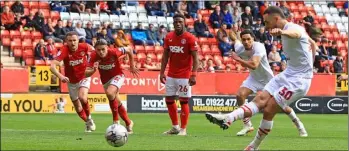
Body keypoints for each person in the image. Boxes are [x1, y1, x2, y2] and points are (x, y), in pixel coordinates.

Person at [205, 6, 318, 150]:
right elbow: (313, 43)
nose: (265, 25)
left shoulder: (293, 28)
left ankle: (253, 146)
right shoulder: (283, 32)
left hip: (298, 80)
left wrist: (283, 32)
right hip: (287, 74)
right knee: (260, 100)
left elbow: (296, 34)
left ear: (276, 18)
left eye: (267, 22)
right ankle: (229, 118)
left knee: (269, 109)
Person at [227, 30, 307, 137]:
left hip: (268, 80)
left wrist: (237, 59)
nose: (246, 42)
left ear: (253, 39)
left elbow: (254, 64)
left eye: (248, 39)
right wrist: (230, 32)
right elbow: (235, 39)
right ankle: (247, 125)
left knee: (282, 106)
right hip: (254, 78)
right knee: (240, 95)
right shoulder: (239, 48)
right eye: (244, 40)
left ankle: (299, 124)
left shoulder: (258, 47)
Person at [85, 39, 139, 134]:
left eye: (103, 49)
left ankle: (115, 122)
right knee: (116, 101)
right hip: (105, 80)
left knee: (110, 93)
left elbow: (129, 49)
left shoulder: (114, 52)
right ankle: (129, 123)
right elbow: (86, 74)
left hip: (118, 75)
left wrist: (132, 65)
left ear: (107, 48)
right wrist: (93, 70)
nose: (101, 52)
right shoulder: (93, 56)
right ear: (95, 50)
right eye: (98, 50)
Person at [160, 14, 199, 136]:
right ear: (173, 23)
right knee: (169, 100)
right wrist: (162, 72)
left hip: (184, 76)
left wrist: (193, 74)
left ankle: (183, 129)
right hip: (171, 75)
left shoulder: (190, 38)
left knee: (183, 102)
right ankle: (175, 127)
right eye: (176, 21)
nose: (178, 24)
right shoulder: (169, 37)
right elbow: (165, 56)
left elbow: (196, 58)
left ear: (184, 23)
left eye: (180, 22)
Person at [50, 31, 96, 133]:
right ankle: (88, 122)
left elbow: (95, 52)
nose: (73, 43)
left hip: (84, 76)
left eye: (74, 40)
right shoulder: (64, 50)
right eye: (70, 41)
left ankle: (89, 117)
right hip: (71, 81)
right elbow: (52, 66)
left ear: (78, 40)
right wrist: (61, 76)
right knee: (77, 106)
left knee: (82, 97)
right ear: (66, 41)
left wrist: (92, 63)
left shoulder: (84, 46)